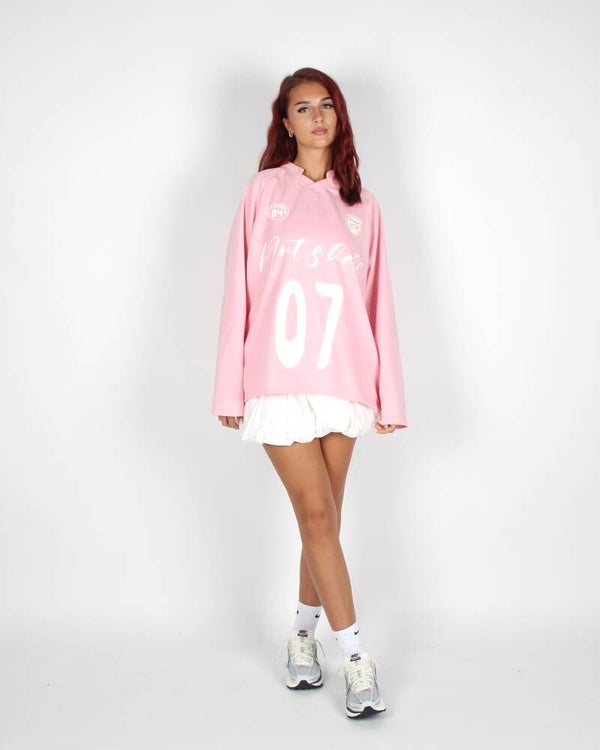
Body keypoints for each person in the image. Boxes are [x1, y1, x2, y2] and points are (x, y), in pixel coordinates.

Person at [211, 66, 407, 719]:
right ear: (285, 122)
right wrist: (230, 386)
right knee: (317, 516)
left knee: (324, 519)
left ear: (338, 116)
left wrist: (388, 394)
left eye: (327, 105)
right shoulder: (263, 192)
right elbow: (238, 290)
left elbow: (378, 303)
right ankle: (357, 658)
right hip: (277, 379)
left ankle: (301, 633)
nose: (318, 116)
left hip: (344, 380)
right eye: (303, 107)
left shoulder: (363, 205)